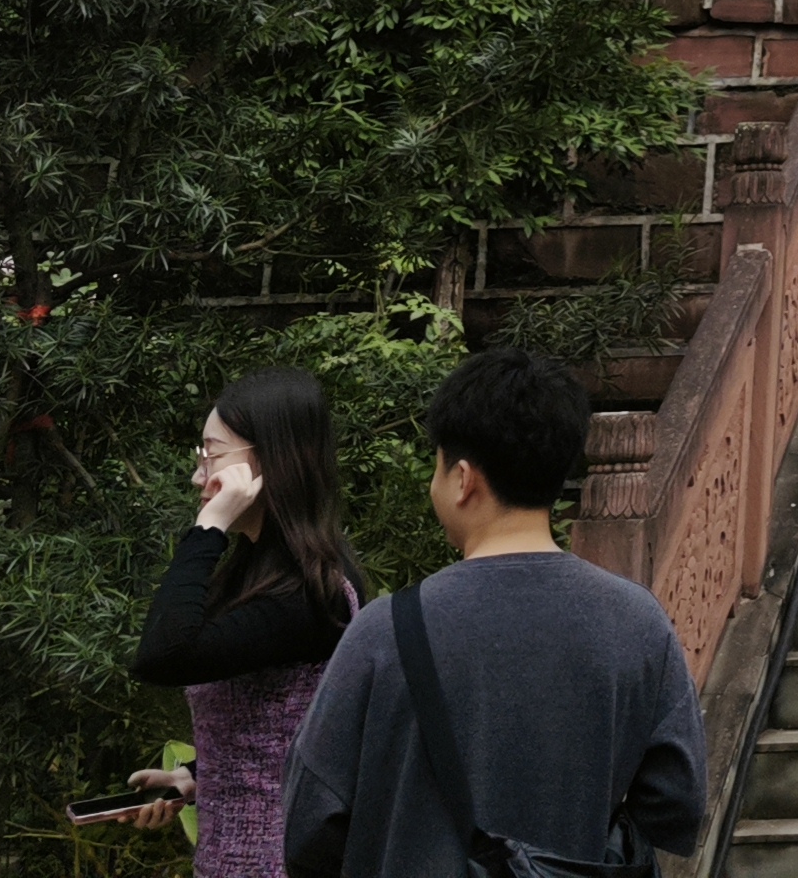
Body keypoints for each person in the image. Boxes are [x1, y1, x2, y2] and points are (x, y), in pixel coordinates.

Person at [281, 349, 706, 878]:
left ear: (463, 479)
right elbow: (676, 806)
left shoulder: (387, 630)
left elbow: (309, 825)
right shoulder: (637, 623)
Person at [124, 368, 364, 878]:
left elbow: (163, 656)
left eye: (211, 455)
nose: (198, 475)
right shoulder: (256, 571)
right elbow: (278, 733)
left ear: (269, 458)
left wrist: (209, 525)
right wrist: (195, 777)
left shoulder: (310, 592)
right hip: (237, 856)